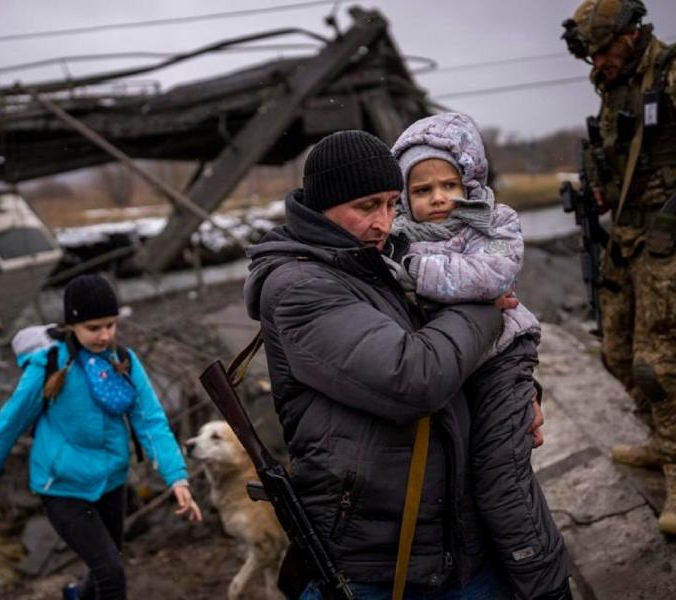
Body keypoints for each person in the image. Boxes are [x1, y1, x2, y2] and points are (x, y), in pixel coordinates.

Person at [244, 130, 525, 599]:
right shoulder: (299, 286)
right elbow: (414, 376)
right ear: (323, 207)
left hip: (445, 536)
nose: (384, 221)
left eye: (393, 204)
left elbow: (453, 355)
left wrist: (519, 395)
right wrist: (485, 304)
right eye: (368, 206)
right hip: (378, 556)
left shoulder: (375, 259)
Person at [388, 112, 570, 599]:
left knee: (500, 480)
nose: (439, 198)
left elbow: (490, 278)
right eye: (423, 190)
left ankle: (546, 584)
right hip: (454, 366)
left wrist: (413, 272)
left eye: (450, 184)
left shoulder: (496, 222)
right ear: (405, 196)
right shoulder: (397, 236)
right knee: (462, 484)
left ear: (469, 179)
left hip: (503, 359)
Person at [0, 274, 202, 600]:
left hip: (112, 483)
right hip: (62, 486)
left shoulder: (123, 361)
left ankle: (76, 596)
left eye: (110, 324)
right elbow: (10, 422)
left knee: (105, 566)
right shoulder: (50, 366)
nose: (105, 335)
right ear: (72, 326)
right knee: (112, 575)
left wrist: (177, 478)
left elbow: (151, 422)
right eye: (94, 328)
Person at [562, 0, 676, 534]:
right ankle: (661, 438)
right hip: (628, 238)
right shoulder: (612, 87)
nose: (596, 63)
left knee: (659, 361)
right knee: (617, 350)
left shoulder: (670, 73)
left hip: (667, 241)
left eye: (603, 50)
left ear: (631, 35)